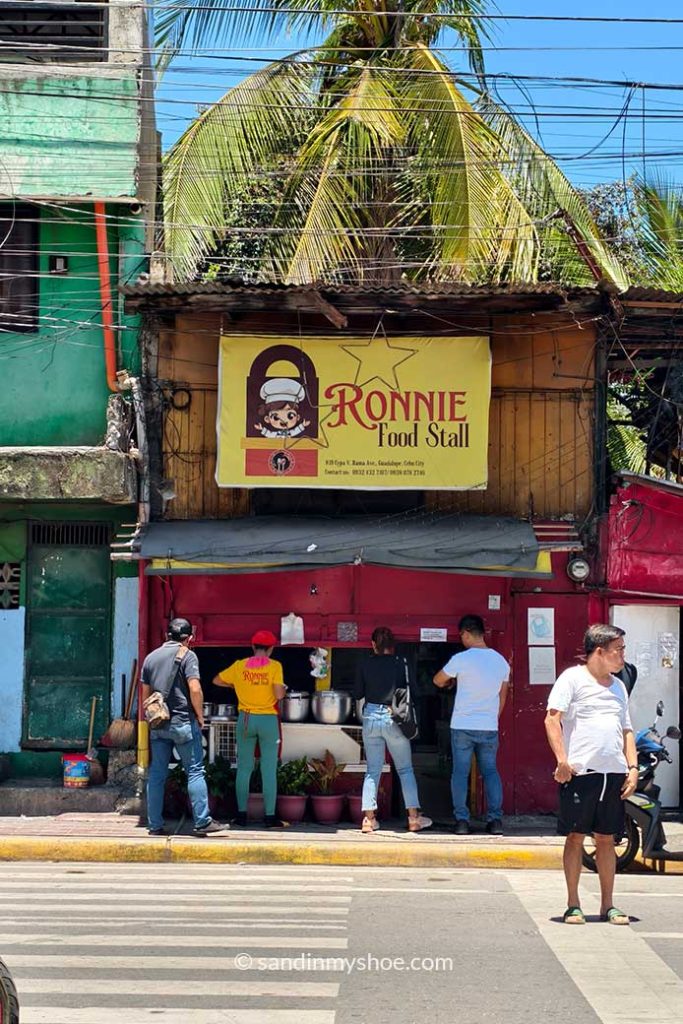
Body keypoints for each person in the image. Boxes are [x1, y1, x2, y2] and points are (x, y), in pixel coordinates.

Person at [544, 624, 638, 926]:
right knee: (575, 837)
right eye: (618, 649)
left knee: (607, 838)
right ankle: (573, 904)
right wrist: (562, 761)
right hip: (581, 773)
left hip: (614, 773)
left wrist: (633, 768)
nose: (623, 655)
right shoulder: (572, 679)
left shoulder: (618, 686)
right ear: (600, 651)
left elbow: (627, 730)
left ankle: (608, 905)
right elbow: (552, 719)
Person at [142, 617, 227, 837]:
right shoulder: (188, 656)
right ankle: (202, 822)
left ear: (167, 635)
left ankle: (154, 825)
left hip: (158, 724)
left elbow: (145, 696)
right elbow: (195, 689)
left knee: (157, 774)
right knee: (195, 771)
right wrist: (199, 715)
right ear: (189, 638)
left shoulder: (150, 658)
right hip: (183, 724)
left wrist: (149, 720)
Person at [433, 614, 510, 835]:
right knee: (490, 772)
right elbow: (502, 697)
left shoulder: (461, 659)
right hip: (488, 726)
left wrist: (452, 680)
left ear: (466, 634)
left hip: (462, 726)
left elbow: (437, 680)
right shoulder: (501, 662)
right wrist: (492, 718)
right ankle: (495, 821)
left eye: (462, 636)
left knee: (460, 773)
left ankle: (462, 822)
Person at [354, 626, 432, 834]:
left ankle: (369, 820)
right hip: (394, 717)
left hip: (371, 717)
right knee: (405, 769)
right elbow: (415, 691)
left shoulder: (365, 663)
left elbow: (358, 693)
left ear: (373, 645)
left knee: (373, 770)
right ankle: (414, 819)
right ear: (392, 646)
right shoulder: (401, 663)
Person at [213, 630, 287, 828]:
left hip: (246, 719)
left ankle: (241, 816)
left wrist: (236, 686)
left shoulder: (239, 666)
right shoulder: (275, 666)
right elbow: (279, 695)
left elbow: (217, 680)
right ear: (271, 649)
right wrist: (281, 688)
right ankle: (270, 818)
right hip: (268, 720)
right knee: (268, 769)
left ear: (253, 647)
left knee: (244, 768)